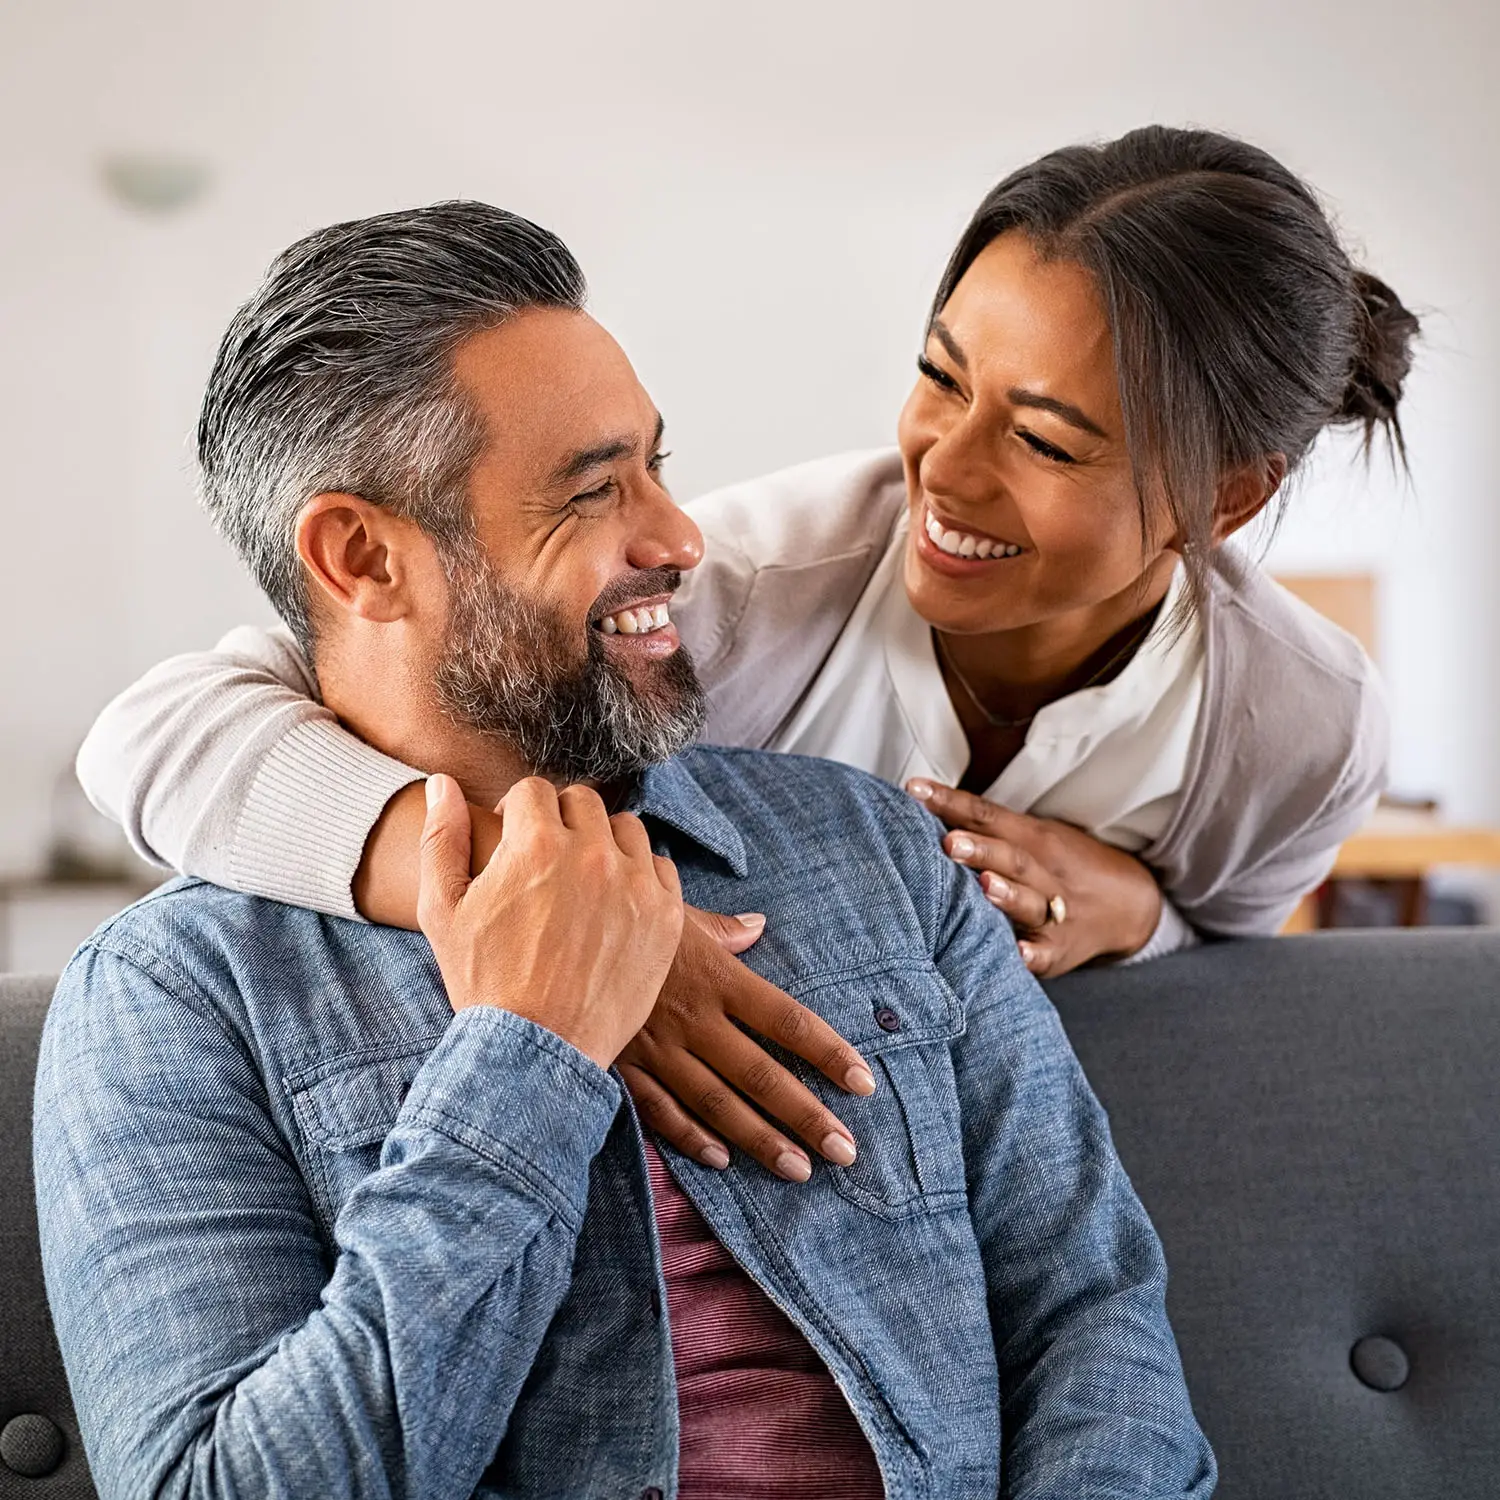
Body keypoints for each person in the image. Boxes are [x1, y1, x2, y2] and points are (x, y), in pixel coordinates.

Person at [35, 202, 1215, 1499]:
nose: (681, 537)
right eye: (597, 491)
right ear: (363, 557)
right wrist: (523, 1059)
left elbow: (1092, 1312)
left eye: (659, 465)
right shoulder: (173, 997)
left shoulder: (875, 847)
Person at [77, 124, 1411, 1179]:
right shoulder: (742, 590)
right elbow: (157, 735)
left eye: (1046, 439)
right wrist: (562, 917)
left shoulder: (1301, 727)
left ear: (1223, 499)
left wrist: (1143, 915)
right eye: (939, 377)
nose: (941, 468)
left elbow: (1234, 960)